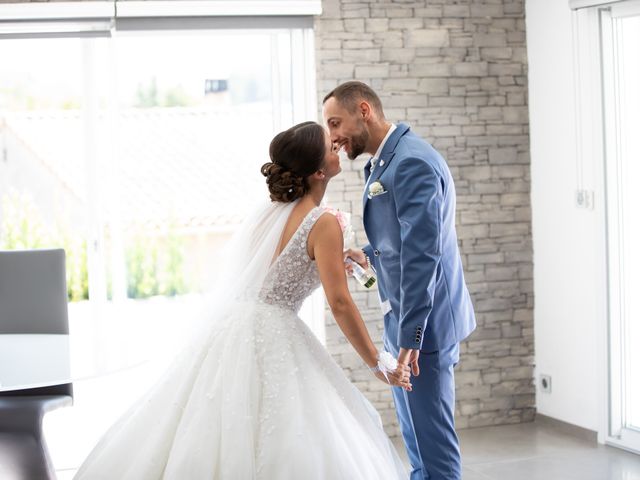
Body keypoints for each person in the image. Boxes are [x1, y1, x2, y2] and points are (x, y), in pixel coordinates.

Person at [74, 121, 410, 479]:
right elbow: (340, 303)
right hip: (276, 332)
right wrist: (378, 362)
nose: (339, 148)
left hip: (232, 327)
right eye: (331, 146)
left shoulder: (269, 215)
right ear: (317, 171)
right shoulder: (325, 222)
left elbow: (277, 271)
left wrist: (337, 260)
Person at [323, 81, 476, 480]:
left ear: (364, 111)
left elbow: (425, 256)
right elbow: (406, 241)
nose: (333, 136)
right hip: (403, 322)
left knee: (434, 450)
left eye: (336, 123)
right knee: (417, 446)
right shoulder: (385, 161)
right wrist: (369, 256)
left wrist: (411, 338)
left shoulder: (411, 163)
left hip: (423, 328)